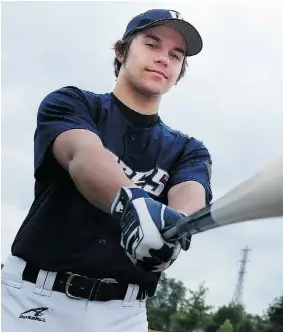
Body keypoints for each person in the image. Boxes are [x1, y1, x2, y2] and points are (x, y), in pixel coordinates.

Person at [1, 8, 213, 332]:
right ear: (121, 50)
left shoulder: (188, 148)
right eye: (152, 44)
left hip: (123, 314)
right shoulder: (72, 103)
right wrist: (134, 206)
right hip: (32, 300)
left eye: (176, 54)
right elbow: (82, 155)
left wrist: (175, 228)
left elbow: (191, 193)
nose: (163, 59)